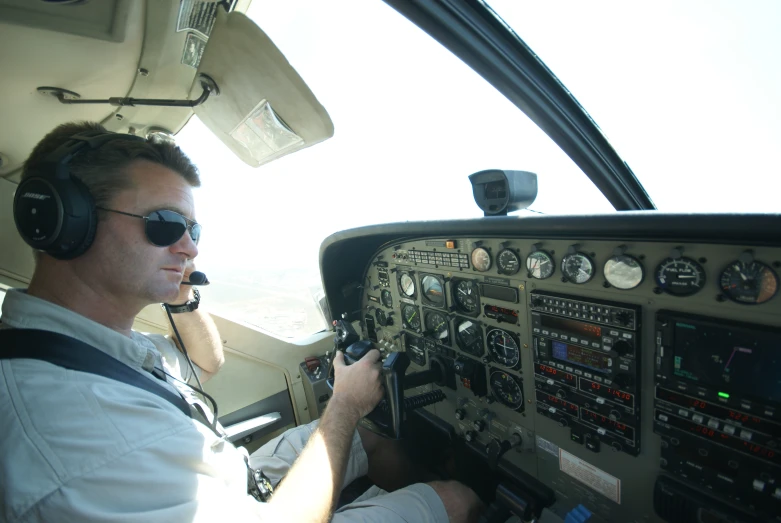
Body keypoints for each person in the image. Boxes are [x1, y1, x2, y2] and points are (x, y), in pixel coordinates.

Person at [0, 121, 483, 522]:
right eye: (165, 224)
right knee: (455, 500)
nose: (190, 247)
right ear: (68, 224)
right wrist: (344, 403)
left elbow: (203, 361)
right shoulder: (79, 423)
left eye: (193, 230)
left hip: (232, 487)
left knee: (372, 435)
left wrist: (179, 289)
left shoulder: (82, 348)